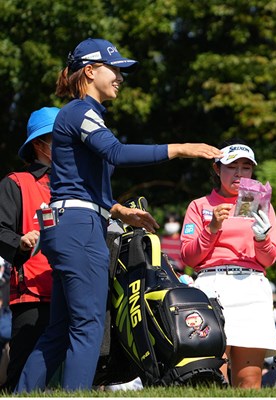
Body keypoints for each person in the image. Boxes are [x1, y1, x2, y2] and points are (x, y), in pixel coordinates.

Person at [15, 38, 222, 393]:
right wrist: (180, 148)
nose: (121, 77)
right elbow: (116, 153)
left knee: (62, 329)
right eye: (115, 69)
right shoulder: (81, 111)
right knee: (88, 326)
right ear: (90, 71)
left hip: (72, 223)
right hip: (78, 229)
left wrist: (120, 210)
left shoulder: (82, 114)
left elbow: (80, 184)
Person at [180, 140, 276, 389]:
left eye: (246, 167)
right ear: (217, 169)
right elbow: (188, 257)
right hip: (209, 288)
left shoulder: (261, 205)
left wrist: (261, 238)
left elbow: (269, 259)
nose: (239, 173)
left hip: (252, 287)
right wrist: (211, 229)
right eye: (232, 166)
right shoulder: (199, 206)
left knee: (249, 379)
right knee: (213, 375)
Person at [0, 107, 59, 392]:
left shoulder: (77, 186)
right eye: (58, 138)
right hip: (32, 293)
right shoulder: (15, 184)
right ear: (39, 145)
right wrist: (20, 240)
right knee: (24, 373)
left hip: (72, 289)